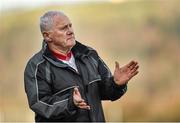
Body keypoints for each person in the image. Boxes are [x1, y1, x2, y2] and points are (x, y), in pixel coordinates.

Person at [24, 10, 139, 122]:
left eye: (70, 26)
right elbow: (39, 103)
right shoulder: (37, 66)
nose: (70, 31)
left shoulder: (89, 55)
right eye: (63, 28)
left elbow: (106, 92)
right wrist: (70, 102)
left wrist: (116, 84)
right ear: (47, 36)